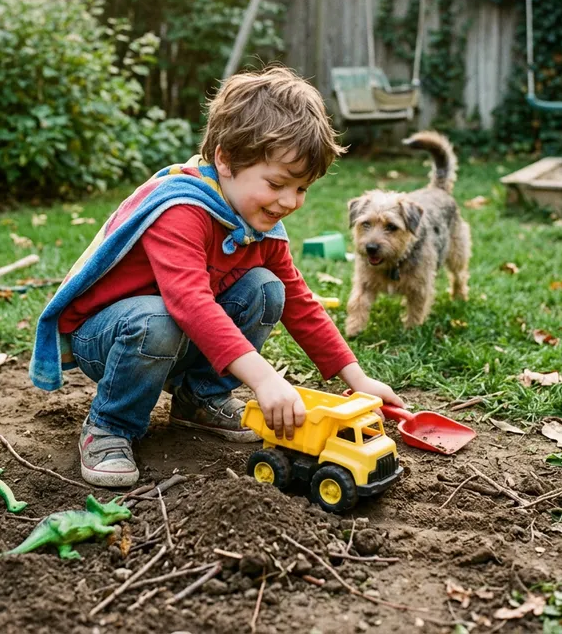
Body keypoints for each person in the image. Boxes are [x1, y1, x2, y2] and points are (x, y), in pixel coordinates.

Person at [29, 66, 404, 488]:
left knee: (267, 288)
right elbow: (190, 303)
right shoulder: (181, 209)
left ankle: (200, 399)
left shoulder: (255, 223)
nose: (289, 201)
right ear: (225, 159)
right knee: (159, 318)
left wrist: (358, 379)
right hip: (109, 338)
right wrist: (264, 378)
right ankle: (111, 425)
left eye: (301, 188)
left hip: (175, 336)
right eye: (277, 183)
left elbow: (300, 301)